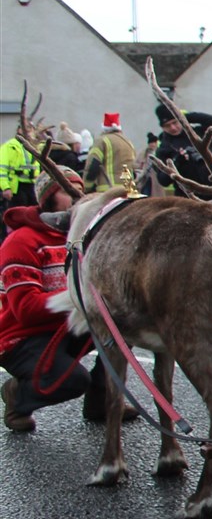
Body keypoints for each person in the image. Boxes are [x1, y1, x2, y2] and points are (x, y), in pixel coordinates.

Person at [0, 169, 130, 431]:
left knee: (122, 329)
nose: (77, 197)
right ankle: (17, 396)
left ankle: (101, 402)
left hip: (66, 325)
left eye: (80, 189)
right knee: (71, 380)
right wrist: (82, 297)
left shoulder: (80, 237)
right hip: (20, 337)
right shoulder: (21, 242)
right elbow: (25, 310)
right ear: (47, 199)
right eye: (67, 190)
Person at [151, 103, 212, 194]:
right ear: (162, 127)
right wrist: (177, 161)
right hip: (188, 195)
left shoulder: (197, 133)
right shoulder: (164, 148)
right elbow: (163, 181)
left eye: (175, 122)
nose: (173, 128)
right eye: (167, 126)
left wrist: (186, 117)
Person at [83, 113, 138, 193]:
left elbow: (93, 166)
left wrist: (86, 187)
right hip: (128, 190)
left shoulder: (101, 141)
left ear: (104, 128)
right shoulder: (128, 143)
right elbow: (134, 169)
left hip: (107, 191)